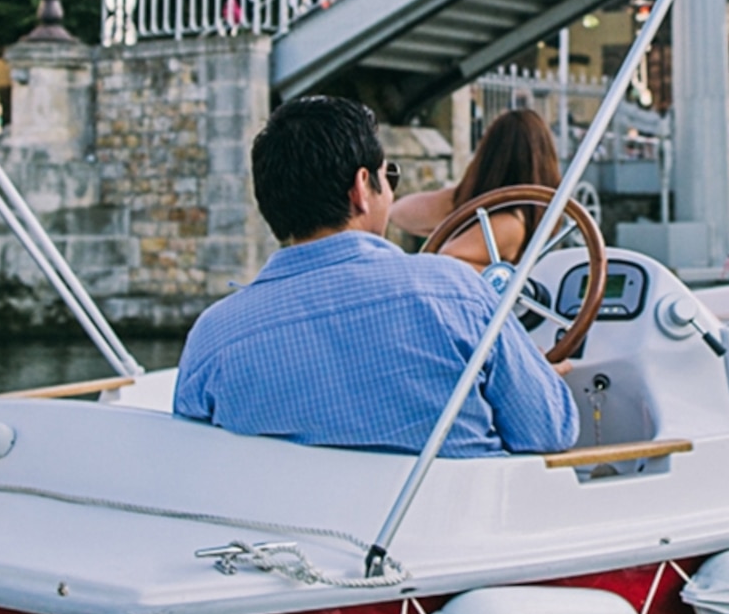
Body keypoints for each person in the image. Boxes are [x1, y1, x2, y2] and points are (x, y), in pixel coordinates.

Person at [176, 96, 579, 455]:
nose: (391, 194)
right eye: (390, 177)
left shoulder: (212, 337)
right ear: (361, 187)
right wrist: (535, 373)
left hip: (289, 534)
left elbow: (192, 457)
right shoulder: (458, 294)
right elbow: (550, 432)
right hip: (452, 529)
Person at [390, 106, 561, 269]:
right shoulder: (513, 219)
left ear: (488, 156)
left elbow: (447, 259)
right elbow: (398, 213)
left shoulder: (508, 224)